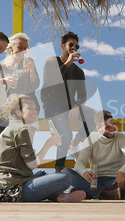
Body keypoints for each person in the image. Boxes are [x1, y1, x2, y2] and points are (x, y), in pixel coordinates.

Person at [0, 94, 86, 202]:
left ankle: (59, 196)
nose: (35, 111)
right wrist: (48, 144)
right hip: (11, 190)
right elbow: (32, 165)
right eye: (29, 108)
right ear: (18, 112)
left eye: (35, 108)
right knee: (66, 177)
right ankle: (58, 195)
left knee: (42, 175)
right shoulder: (21, 129)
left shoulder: (13, 127)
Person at [41, 31, 96, 172]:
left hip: (70, 107)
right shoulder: (51, 62)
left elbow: (82, 95)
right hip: (53, 107)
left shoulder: (78, 72)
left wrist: (77, 105)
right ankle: (58, 170)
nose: (74, 47)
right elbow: (52, 81)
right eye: (70, 44)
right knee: (65, 134)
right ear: (62, 46)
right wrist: (67, 63)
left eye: (76, 46)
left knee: (96, 116)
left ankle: (74, 145)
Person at [63, 110, 125, 200]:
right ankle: (105, 194)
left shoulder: (121, 138)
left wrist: (122, 172)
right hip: (95, 181)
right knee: (66, 172)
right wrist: (84, 173)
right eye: (107, 127)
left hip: (115, 181)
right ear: (98, 128)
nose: (112, 129)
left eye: (113, 124)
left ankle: (89, 192)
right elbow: (80, 163)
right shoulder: (90, 140)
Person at [0, 33, 40, 140]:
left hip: (25, 111)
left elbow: (35, 85)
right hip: (5, 111)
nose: (23, 51)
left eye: (25, 48)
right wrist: (2, 81)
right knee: (1, 144)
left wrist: (32, 69)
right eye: (20, 47)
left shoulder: (27, 65)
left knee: (22, 142)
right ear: (11, 48)